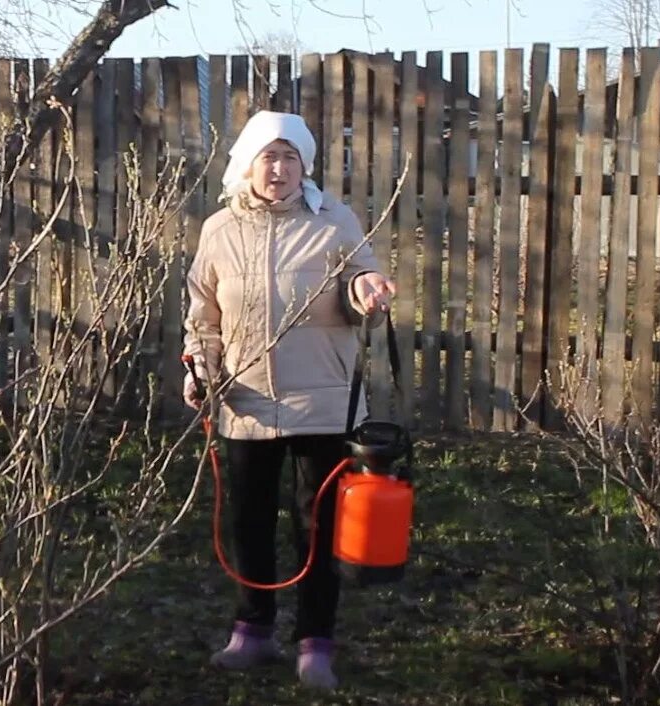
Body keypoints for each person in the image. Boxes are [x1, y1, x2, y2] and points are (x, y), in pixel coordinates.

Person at [181, 110, 395, 690]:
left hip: (323, 403)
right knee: (248, 521)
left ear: (306, 166)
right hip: (245, 401)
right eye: (268, 157)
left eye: (290, 157)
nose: (278, 168)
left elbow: (359, 280)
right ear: (248, 163)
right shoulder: (220, 229)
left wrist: (366, 288)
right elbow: (205, 313)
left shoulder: (334, 221)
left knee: (317, 524)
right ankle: (252, 629)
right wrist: (201, 366)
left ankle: (315, 641)